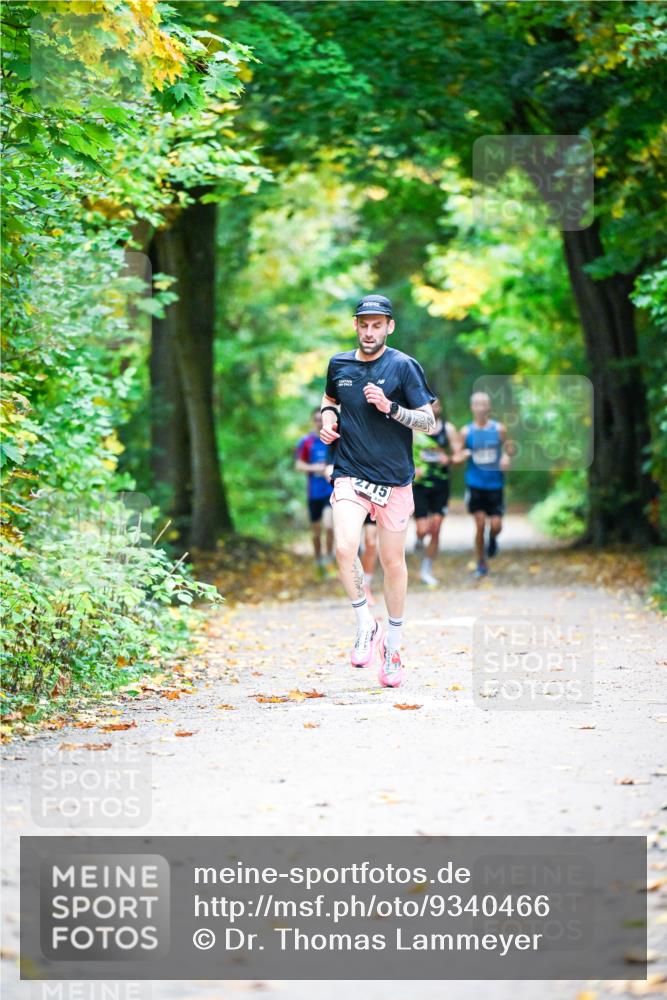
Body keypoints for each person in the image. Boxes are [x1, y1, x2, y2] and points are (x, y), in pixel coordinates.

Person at [319, 293, 435, 688]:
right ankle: (364, 623)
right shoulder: (340, 364)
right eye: (363, 324)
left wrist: (391, 408)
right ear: (356, 325)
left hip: (394, 478)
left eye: (377, 325)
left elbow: (429, 422)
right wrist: (328, 419)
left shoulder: (403, 366)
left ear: (390, 326)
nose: (370, 332)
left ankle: (394, 646)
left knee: (393, 562)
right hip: (350, 471)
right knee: (344, 547)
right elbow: (330, 398)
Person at [459, 391, 510, 579]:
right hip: (475, 483)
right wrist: (461, 455)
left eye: (484, 404)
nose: (480, 407)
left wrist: (505, 457)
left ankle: (493, 538)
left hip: (495, 484)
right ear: (472, 407)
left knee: (496, 525)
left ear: (488, 407)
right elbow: (456, 453)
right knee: (480, 524)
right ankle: (481, 562)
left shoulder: (499, 429)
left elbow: (508, 447)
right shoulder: (466, 432)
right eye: (477, 404)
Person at [412, 398, 461, 586]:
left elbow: (458, 454)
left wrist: (448, 459)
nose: (434, 408)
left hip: (441, 483)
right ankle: (418, 538)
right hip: (421, 485)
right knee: (423, 528)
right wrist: (413, 469)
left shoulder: (448, 429)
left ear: (441, 408)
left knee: (436, 528)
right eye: (430, 405)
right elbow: (402, 454)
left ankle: (426, 570)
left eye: (437, 405)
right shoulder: (415, 429)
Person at [295, 409, 334, 574]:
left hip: (330, 491)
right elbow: (299, 465)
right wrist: (315, 468)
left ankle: (329, 558)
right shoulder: (307, 442)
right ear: (313, 421)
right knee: (316, 531)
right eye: (316, 419)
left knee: (329, 525)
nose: (319, 422)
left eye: (322, 419)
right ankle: (318, 560)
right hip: (314, 493)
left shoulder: (333, 440)